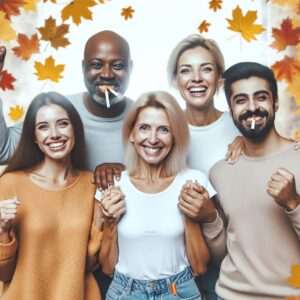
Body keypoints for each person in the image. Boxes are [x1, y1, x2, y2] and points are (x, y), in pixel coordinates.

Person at [98, 91, 216, 299]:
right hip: (125, 292)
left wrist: (189, 217)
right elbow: (107, 269)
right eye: (144, 128)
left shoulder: (194, 181)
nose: (153, 139)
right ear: (131, 134)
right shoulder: (113, 185)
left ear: (175, 137)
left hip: (178, 291)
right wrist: (109, 222)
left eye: (163, 129)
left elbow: (199, 267)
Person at [201, 62, 300, 299]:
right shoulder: (220, 172)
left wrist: (293, 203)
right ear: (231, 109)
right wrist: (210, 219)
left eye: (261, 97)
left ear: (276, 103)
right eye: (241, 100)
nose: (252, 108)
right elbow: (225, 253)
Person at [0, 92, 103, 299]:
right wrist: (3, 231)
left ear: (75, 129)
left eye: (62, 123)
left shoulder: (91, 184)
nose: (54, 134)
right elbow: (4, 274)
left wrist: (103, 219)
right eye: (43, 127)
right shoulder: (11, 183)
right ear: (34, 138)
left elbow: (89, 264)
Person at [166, 34, 241, 299]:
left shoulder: (239, 127)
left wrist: (254, 144)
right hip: (173, 273)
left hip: (228, 271)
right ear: (175, 80)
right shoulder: (162, 132)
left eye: (206, 69)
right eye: (186, 70)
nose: (196, 78)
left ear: (220, 79)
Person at [0, 30, 133, 173]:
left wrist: (129, 174)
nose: (107, 74)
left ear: (130, 68)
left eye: (118, 65)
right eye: (96, 65)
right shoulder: (58, 111)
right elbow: (3, 151)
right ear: (83, 68)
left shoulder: (146, 117)